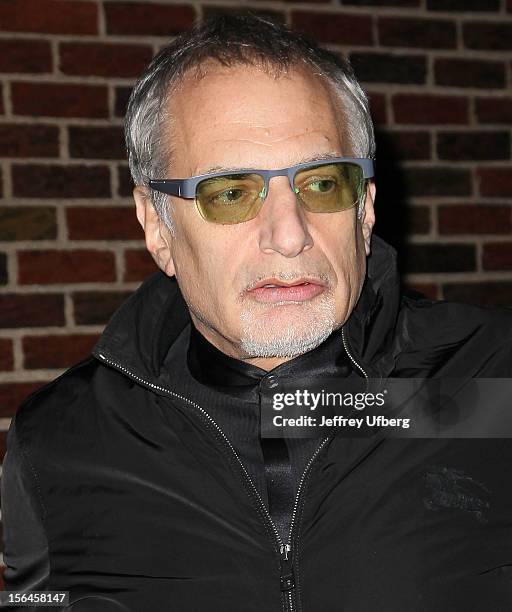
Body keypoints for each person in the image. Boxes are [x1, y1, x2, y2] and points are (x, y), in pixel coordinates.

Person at [2, 14, 512, 612]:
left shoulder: (491, 380)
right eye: (230, 194)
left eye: (322, 184)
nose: (289, 235)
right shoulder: (63, 440)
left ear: (366, 209)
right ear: (157, 227)